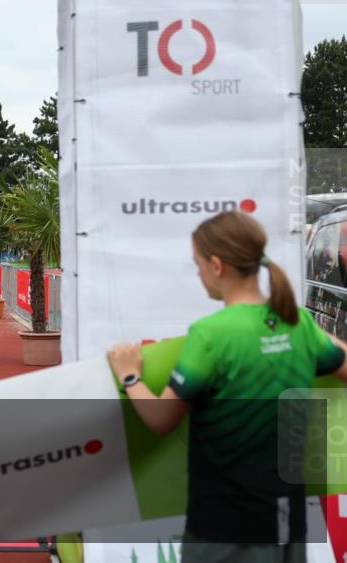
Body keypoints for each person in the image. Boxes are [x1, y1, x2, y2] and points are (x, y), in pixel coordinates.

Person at [107, 211, 347, 561]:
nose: (199, 273)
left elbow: (160, 418)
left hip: (222, 524)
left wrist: (129, 375)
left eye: (197, 264)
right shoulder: (298, 325)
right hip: (287, 520)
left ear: (217, 265)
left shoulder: (210, 334)